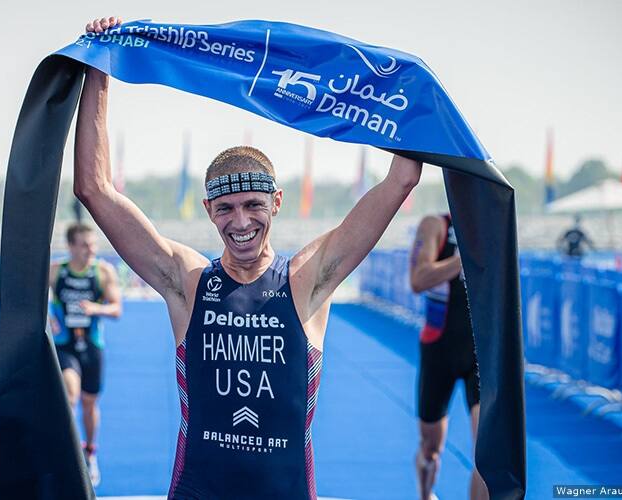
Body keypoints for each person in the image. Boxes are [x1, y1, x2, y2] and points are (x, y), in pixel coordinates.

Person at [74, 16, 421, 499]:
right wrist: (99, 68)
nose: (241, 222)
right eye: (226, 209)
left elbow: (401, 180)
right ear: (209, 211)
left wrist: (401, 90)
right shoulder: (187, 282)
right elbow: (94, 189)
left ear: (276, 203)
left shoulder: (307, 279)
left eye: (254, 205)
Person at [409, 214, 487, 500]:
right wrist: (462, 258)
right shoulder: (435, 225)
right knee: (431, 447)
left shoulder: (493, 224)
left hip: (481, 352)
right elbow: (418, 279)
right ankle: (425, 494)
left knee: (486, 452)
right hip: (439, 347)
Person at [49, 223, 122, 487]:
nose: (90, 249)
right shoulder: (56, 271)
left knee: (90, 403)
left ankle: (90, 451)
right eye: (84, 245)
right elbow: (29, 300)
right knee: (70, 395)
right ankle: (68, 452)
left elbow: (116, 309)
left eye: (93, 244)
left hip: (92, 346)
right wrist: (48, 318)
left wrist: (95, 309)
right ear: (70, 246)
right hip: (65, 345)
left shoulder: (103, 272)